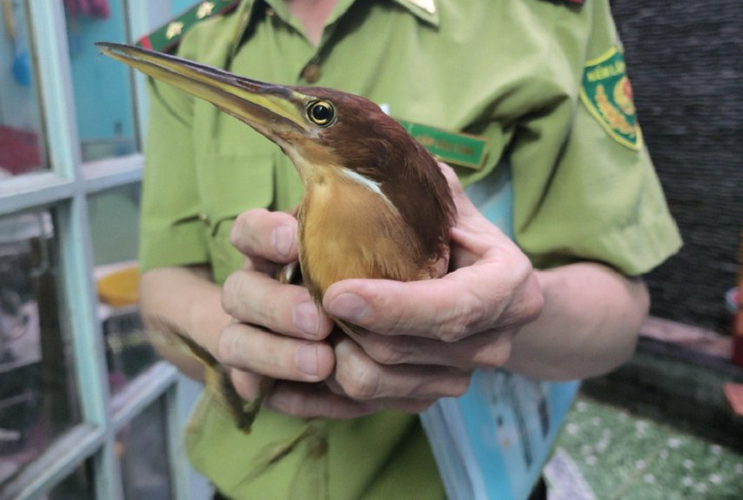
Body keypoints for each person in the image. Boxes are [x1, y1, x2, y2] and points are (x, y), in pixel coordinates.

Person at [137, 0, 682, 498]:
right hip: (242, 482)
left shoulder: (540, 17)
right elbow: (163, 283)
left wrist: (500, 317)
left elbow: (620, 319)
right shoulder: (195, 42)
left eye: (319, 117)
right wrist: (249, 344)